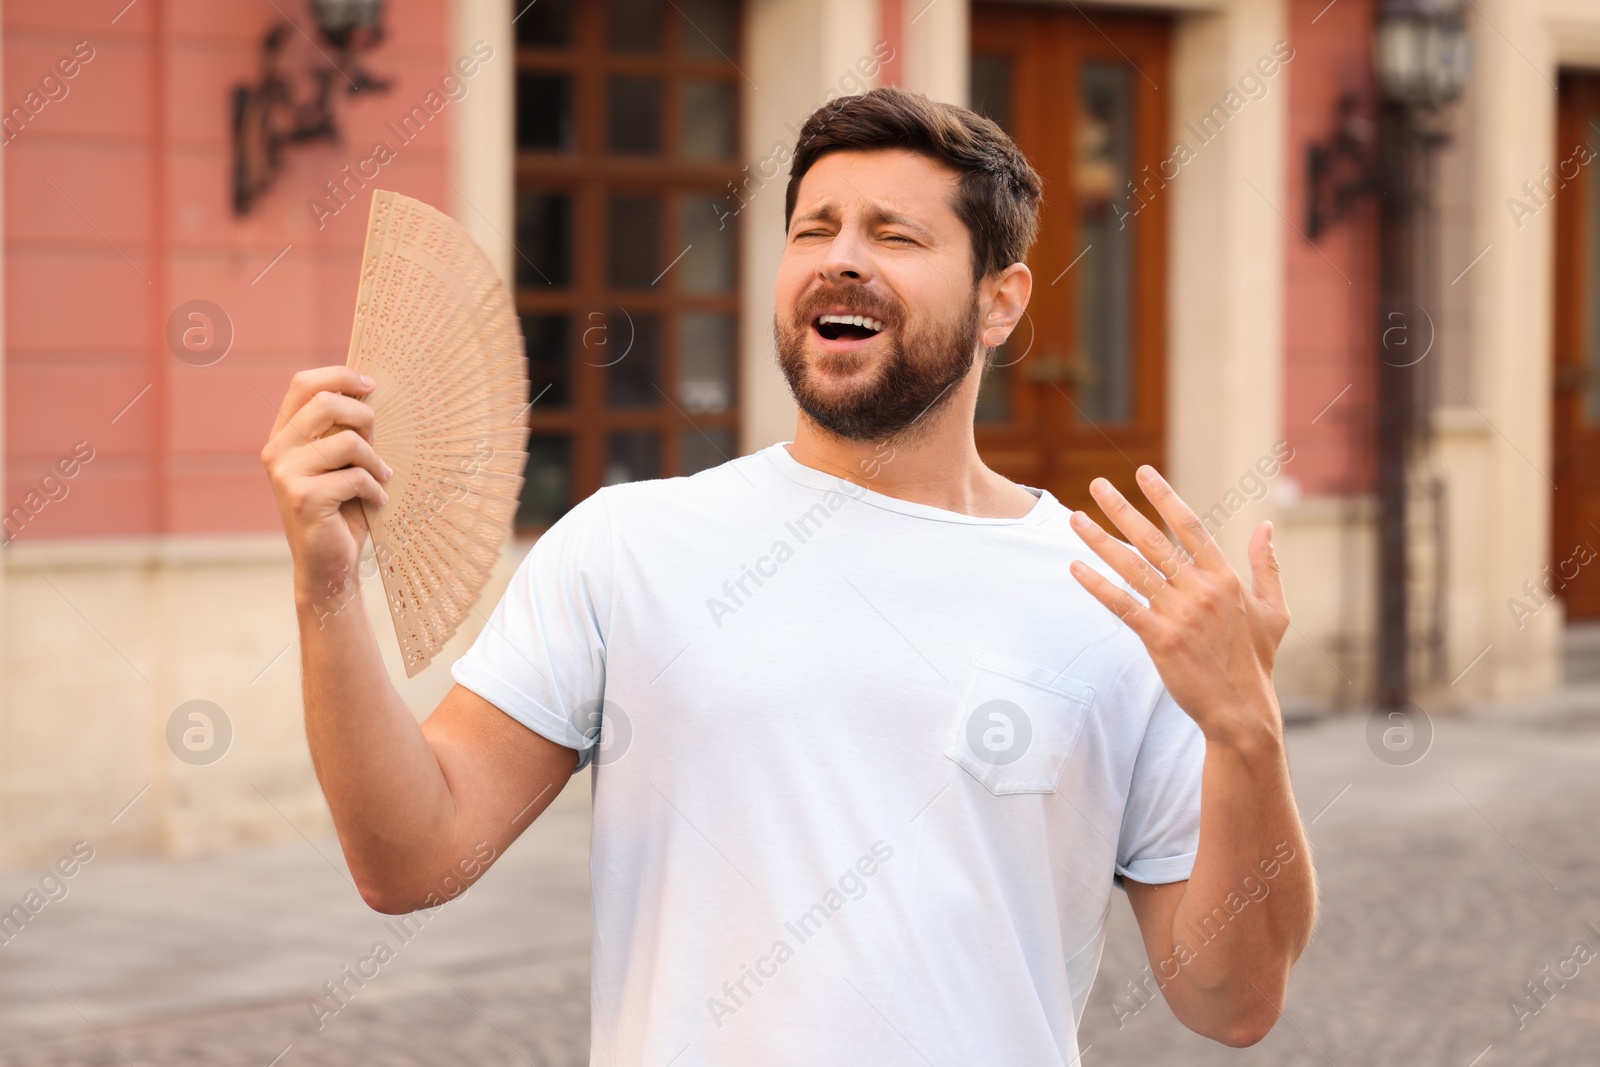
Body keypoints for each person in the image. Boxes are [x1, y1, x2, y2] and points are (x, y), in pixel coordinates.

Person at [261, 86, 1316, 1065]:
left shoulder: (1112, 598)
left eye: (893, 234)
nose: (839, 259)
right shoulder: (629, 545)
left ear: (1001, 303)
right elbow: (409, 857)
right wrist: (327, 585)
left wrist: (1245, 731)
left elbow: (1232, 999)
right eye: (814, 229)